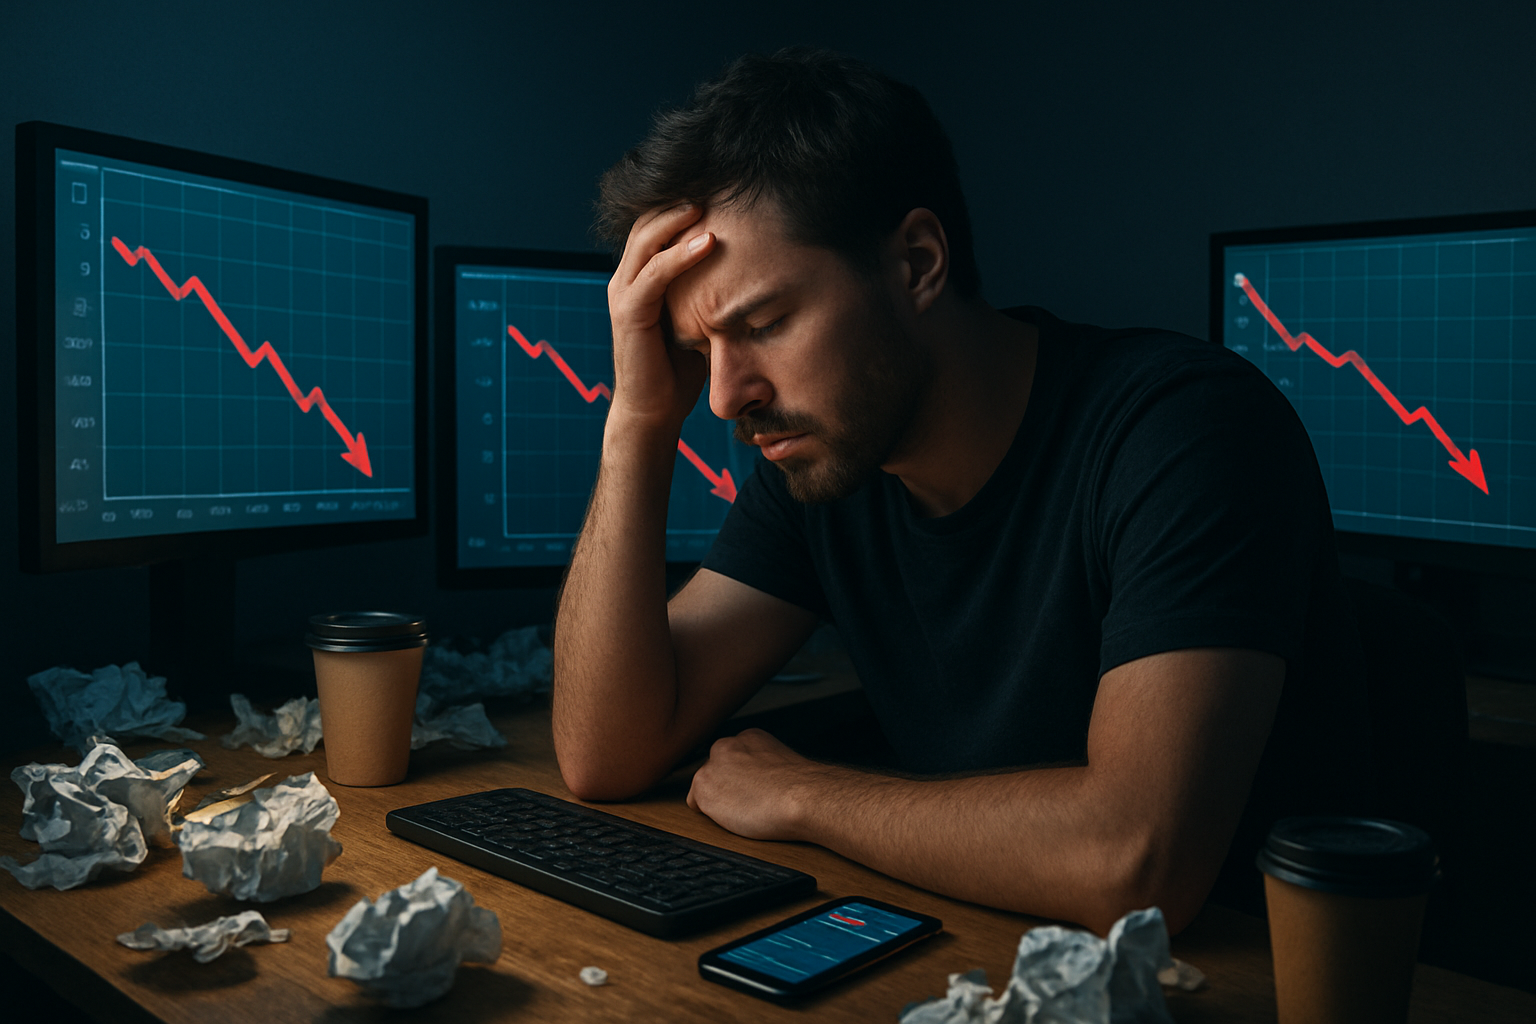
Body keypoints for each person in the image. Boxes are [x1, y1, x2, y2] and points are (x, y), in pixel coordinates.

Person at [551, 47, 1371, 935]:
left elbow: (1136, 860)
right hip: (988, 953)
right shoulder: (826, 463)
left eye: (764, 324)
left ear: (916, 262)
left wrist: (806, 796)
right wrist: (636, 422)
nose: (724, 396)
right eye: (698, 349)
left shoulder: (1184, 431)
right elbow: (606, 753)